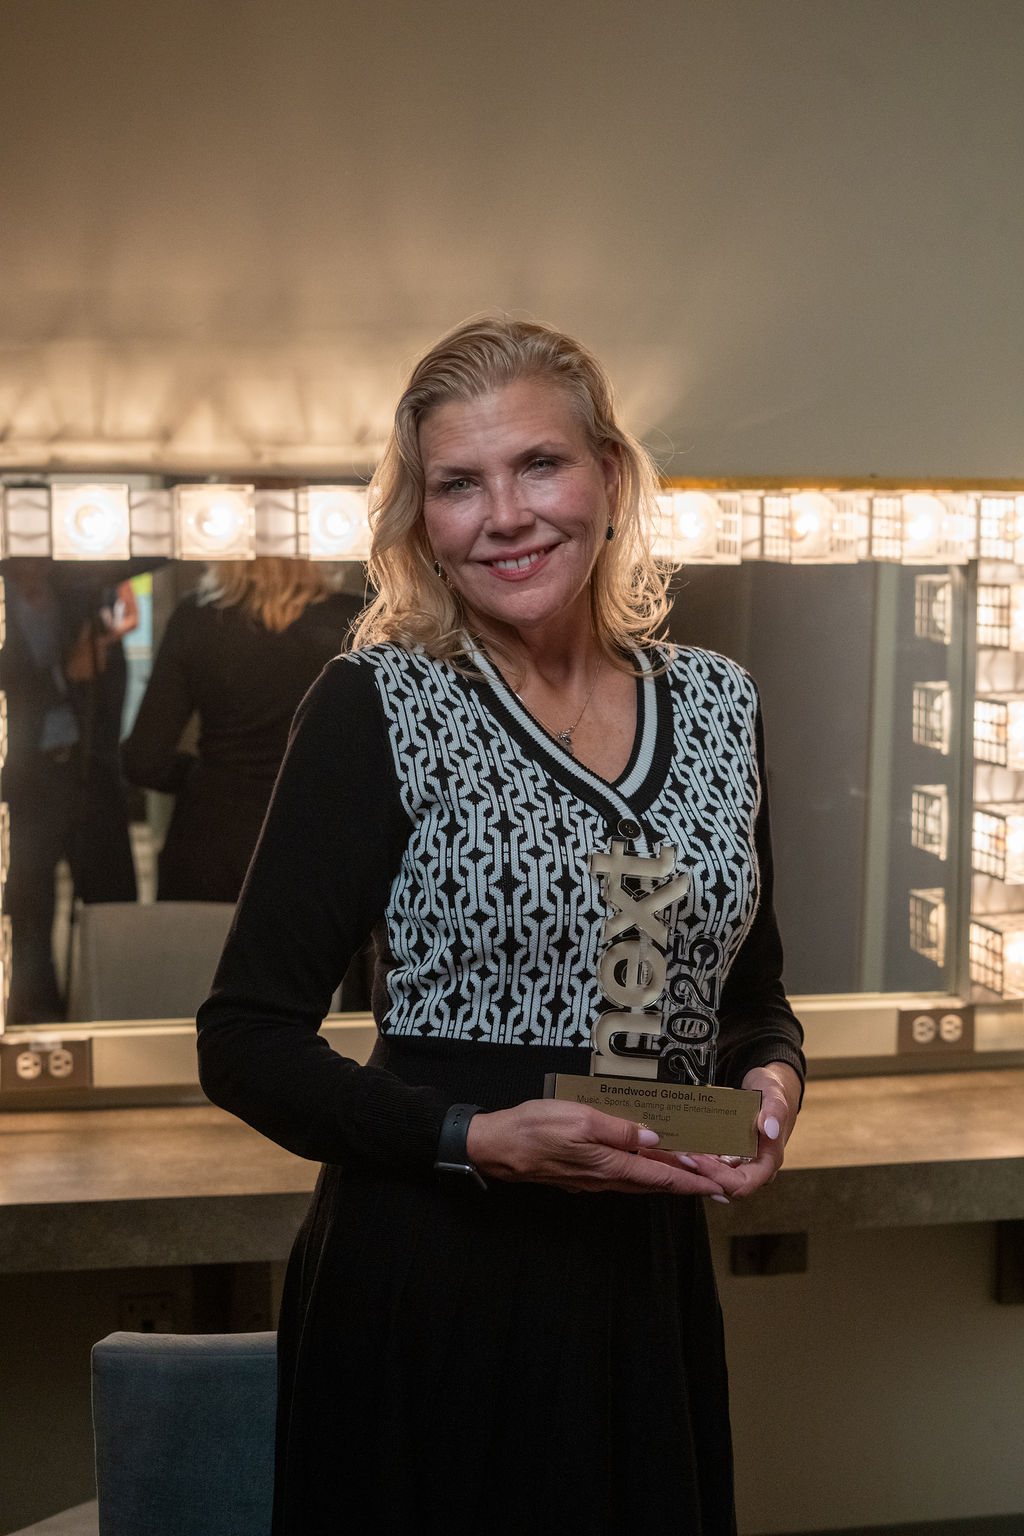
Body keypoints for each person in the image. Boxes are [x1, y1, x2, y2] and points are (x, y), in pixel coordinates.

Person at [196, 317, 805, 1536]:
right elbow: (245, 1039)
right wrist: (470, 1137)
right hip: (431, 1286)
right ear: (421, 520)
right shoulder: (379, 703)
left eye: (539, 465)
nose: (505, 517)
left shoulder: (719, 704)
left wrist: (774, 1084)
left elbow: (750, 1000)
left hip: (642, 1279)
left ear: (609, 476)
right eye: (458, 484)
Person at [122, 557, 361, 903]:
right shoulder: (356, 619)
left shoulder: (197, 617)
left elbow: (143, 760)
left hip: (212, 842)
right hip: (318, 840)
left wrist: (205, 777)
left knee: (194, 941)